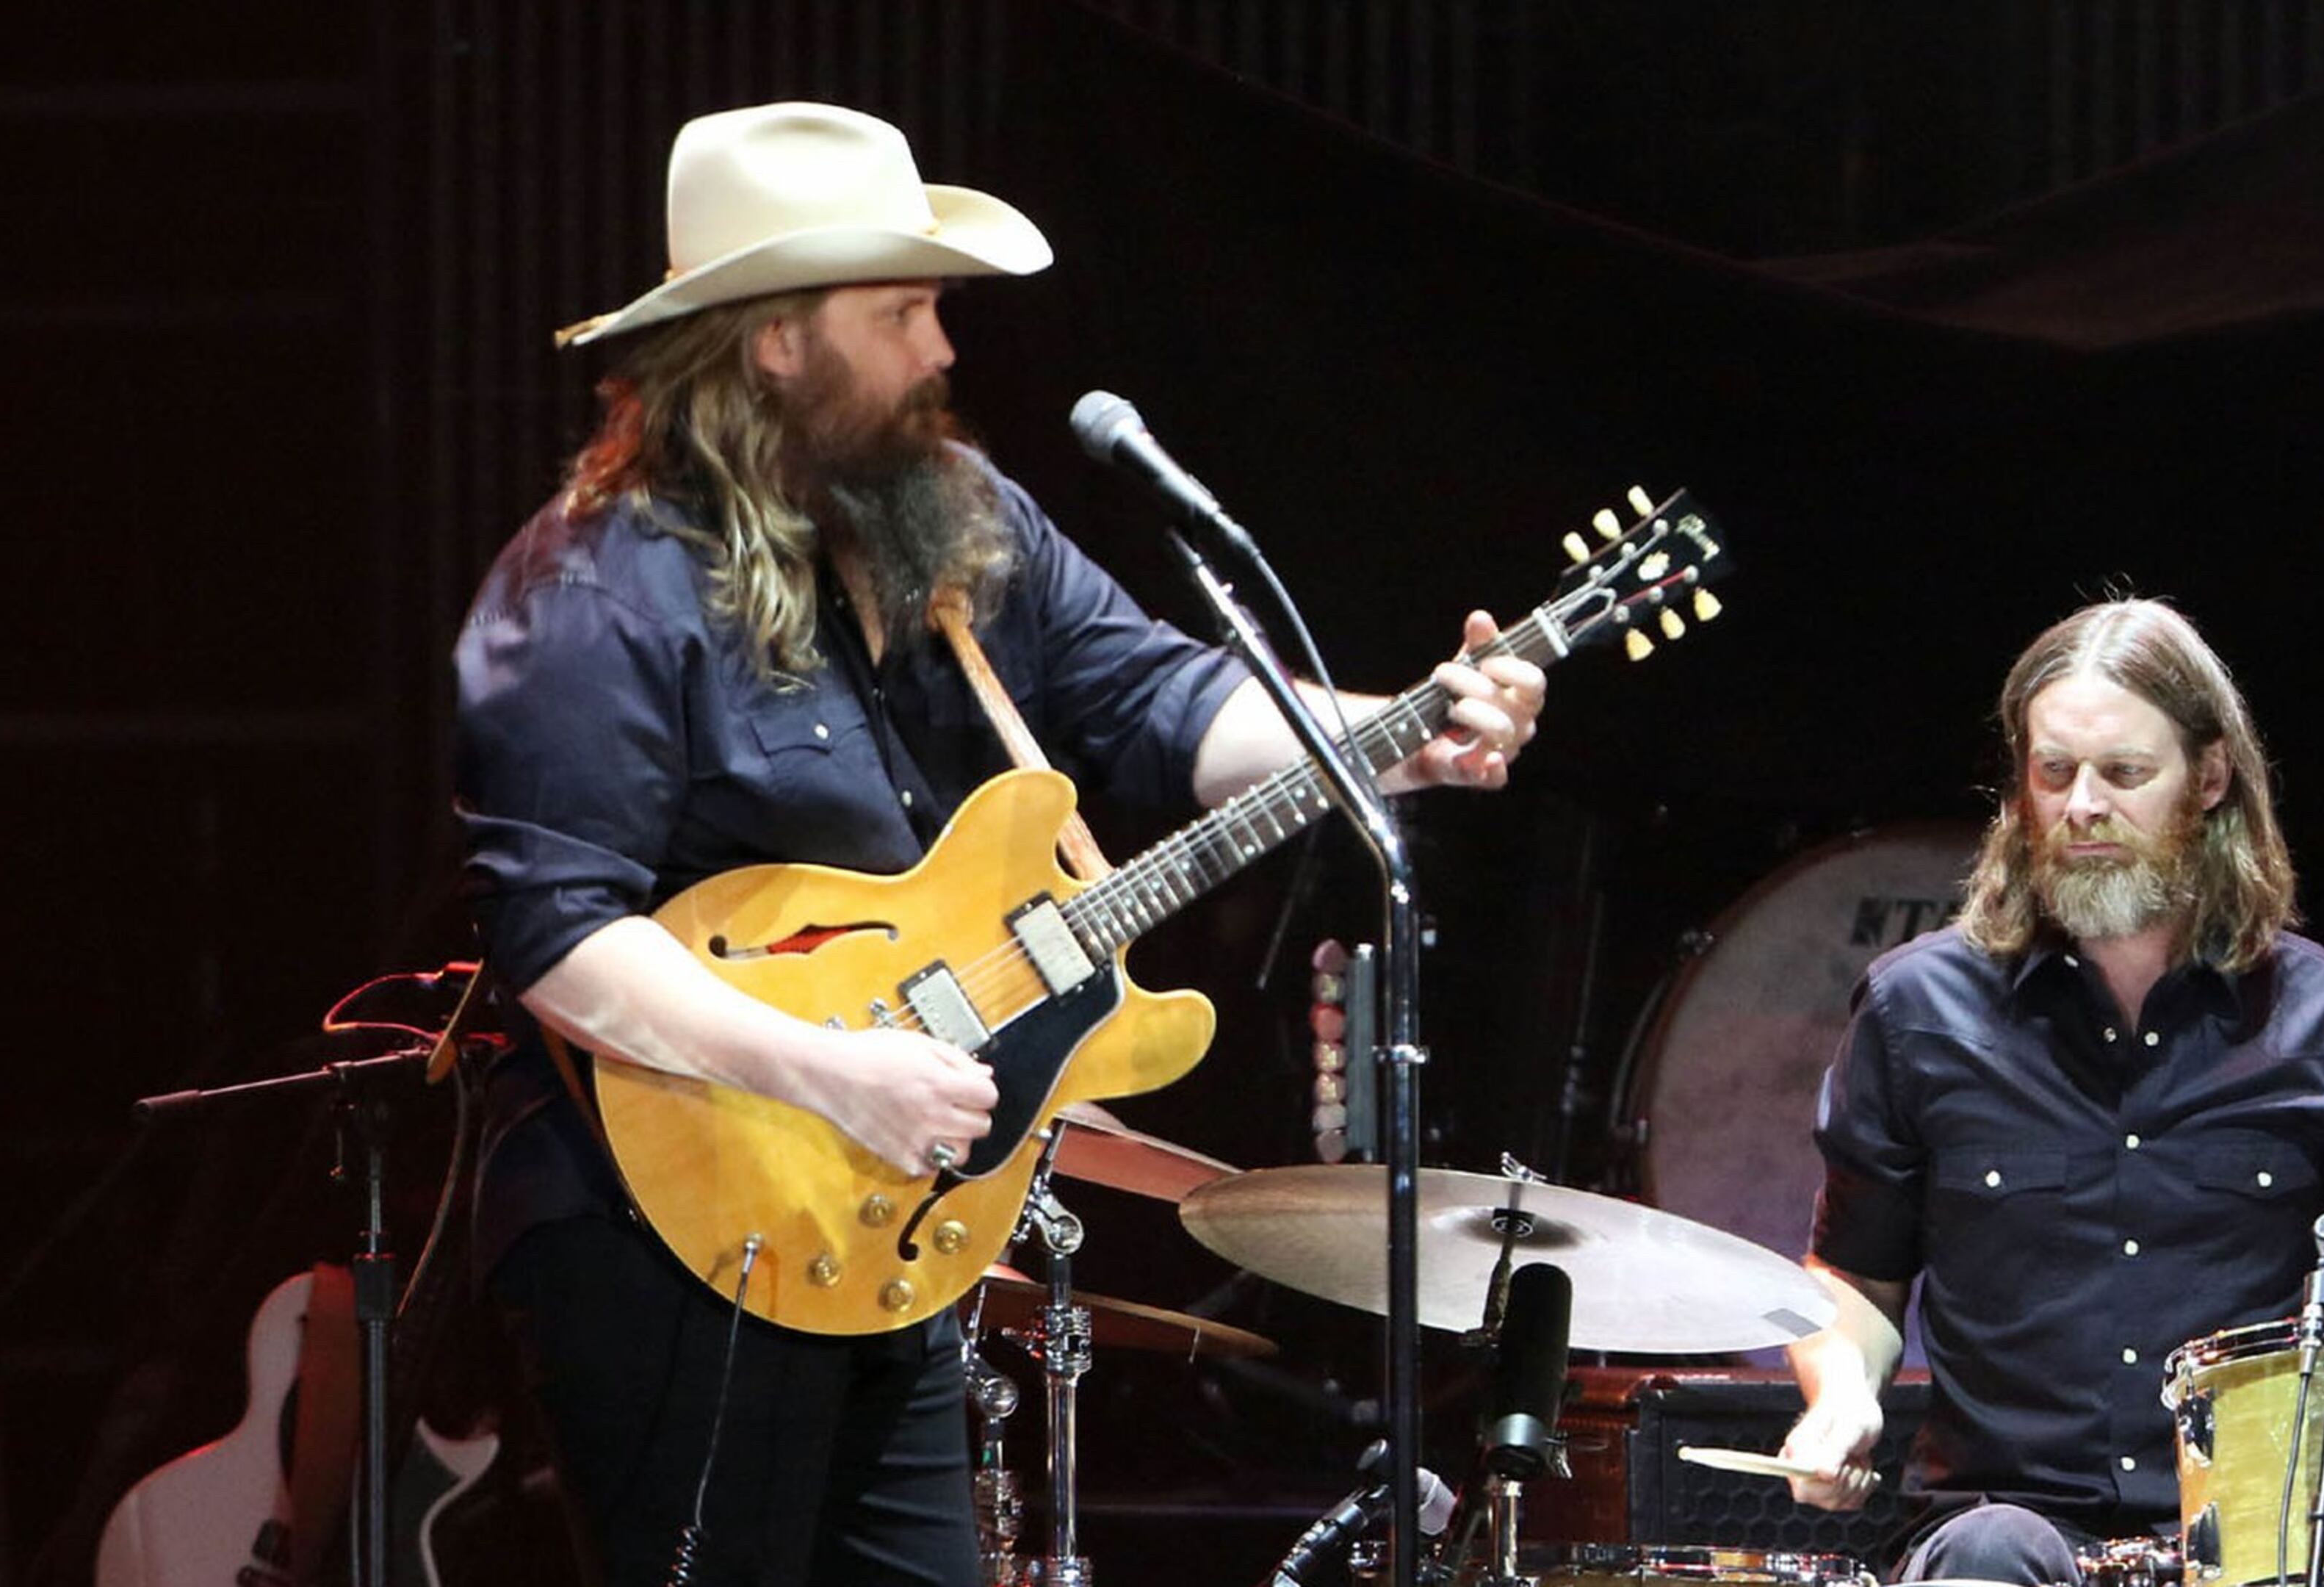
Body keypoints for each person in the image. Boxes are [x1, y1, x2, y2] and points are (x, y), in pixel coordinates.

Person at [451, 101, 1546, 1587]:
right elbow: (560, 935)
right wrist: (835, 1069)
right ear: (776, 340)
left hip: (878, 1220)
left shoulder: (953, 522)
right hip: (658, 1232)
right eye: (899, 311)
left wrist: (1400, 732)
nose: (941, 350)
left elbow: (1162, 699)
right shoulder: (596, 589)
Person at [1776, 599, 2324, 1584]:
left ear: (2208, 779)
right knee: (1991, 1557)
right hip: (2008, 1523)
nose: (2082, 805)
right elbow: (1855, 1277)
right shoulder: (1917, 1011)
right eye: (2054, 772)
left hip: (2264, 1536)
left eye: (2124, 773)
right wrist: (1840, 1395)